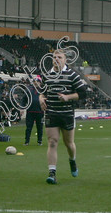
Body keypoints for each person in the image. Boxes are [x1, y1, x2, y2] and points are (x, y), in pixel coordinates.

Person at [40, 49, 88, 185]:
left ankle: (72, 160)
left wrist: (67, 97)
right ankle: (52, 173)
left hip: (67, 114)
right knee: (52, 142)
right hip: (51, 113)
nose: (56, 59)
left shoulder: (73, 75)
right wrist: (41, 98)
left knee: (69, 144)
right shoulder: (47, 75)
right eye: (54, 57)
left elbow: (83, 93)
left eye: (59, 57)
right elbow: (42, 92)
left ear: (65, 60)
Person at [24, 76, 44, 146]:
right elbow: (24, 99)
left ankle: (39, 141)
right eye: (34, 81)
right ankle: (27, 141)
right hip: (30, 111)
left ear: (40, 83)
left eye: (37, 82)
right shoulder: (29, 90)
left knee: (40, 127)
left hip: (40, 112)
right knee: (28, 127)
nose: (36, 83)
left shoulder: (43, 90)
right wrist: (22, 108)